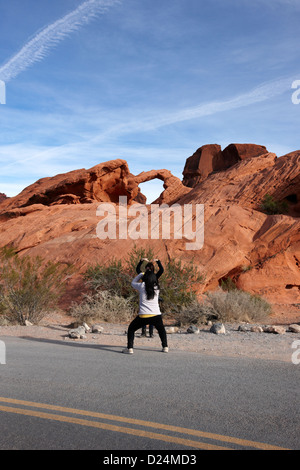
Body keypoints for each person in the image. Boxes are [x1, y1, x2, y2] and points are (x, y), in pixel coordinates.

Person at [122, 259, 168, 354]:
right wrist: (158, 262)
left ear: (145, 276)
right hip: (156, 315)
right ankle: (165, 347)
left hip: (143, 315)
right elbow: (160, 272)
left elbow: (133, 282)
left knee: (131, 329)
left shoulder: (141, 285)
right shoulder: (157, 287)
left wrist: (141, 274)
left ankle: (130, 348)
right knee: (161, 330)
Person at [136, 258, 164, 338]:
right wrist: (141, 261)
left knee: (152, 314)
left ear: (152, 269)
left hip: (153, 296)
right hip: (145, 295)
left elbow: (161, 270)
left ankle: (151, 333)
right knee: (144, 312)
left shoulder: (155, 276)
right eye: (147, 268)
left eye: (149, 268)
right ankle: (143, 332)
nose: (148, 269)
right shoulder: (143, 275)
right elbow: (137, 269)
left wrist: (158, 261)